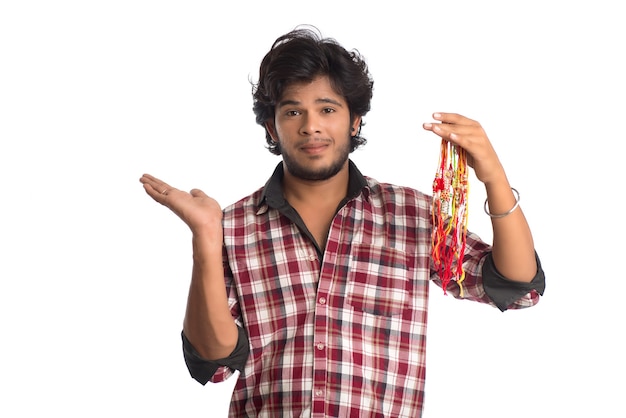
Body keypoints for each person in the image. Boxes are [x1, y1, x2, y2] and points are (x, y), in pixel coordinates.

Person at [139, 27, 545, 417]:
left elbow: (515, 286)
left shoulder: (412, 215)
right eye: (293, 111)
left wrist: (494, 177)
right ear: (272, 127)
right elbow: (213, 360)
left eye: (327, 109)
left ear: (354, 121)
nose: (311, 125)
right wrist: (206, 238)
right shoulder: (234, 226)